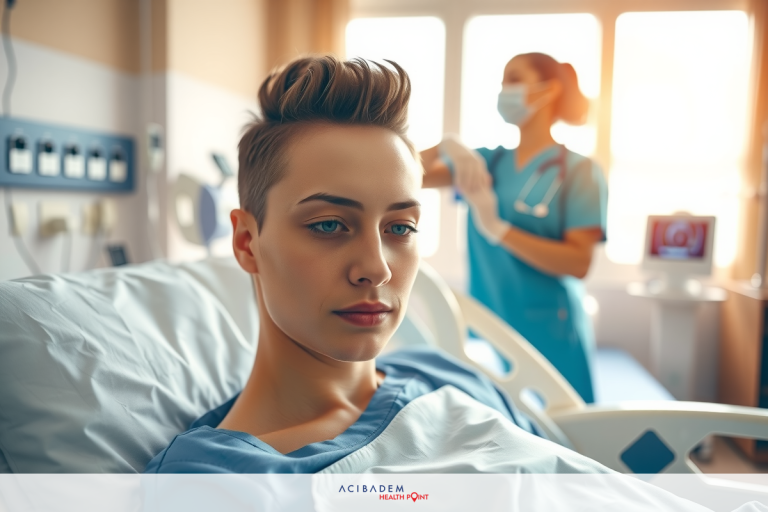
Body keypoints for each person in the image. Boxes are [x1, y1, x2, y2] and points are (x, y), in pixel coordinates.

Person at [144, 55, 609, 474]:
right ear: (247, 243)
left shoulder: (441, 372)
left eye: (400, 227)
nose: (378, 268)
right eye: (329, 225)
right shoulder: (215, 477)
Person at [421, 52, 608, 403]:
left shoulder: (580, 172)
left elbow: (578, 263)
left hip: (552, 329)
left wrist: (498, 230)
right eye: (503, 81)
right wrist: (445, 145)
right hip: (488, 324)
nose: (504, 90)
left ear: (548, 90)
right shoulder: (486, 162)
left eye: (515, 79)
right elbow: (404, 176)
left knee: (564, 426)